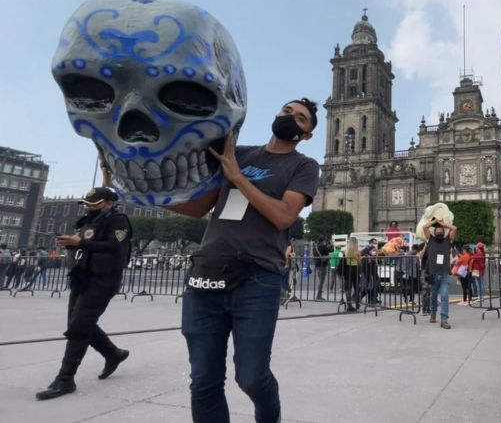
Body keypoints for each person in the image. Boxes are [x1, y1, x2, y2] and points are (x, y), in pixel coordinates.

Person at [163, 98, 320, 423]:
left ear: (306, 134)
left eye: (301, 119)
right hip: (206, 274)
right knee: (204, 380)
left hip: (257, 278)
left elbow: (283, 216)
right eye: (287, 111)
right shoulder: (239, 153)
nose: (291, 118)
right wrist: (137, 195)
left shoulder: (303, 166)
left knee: (251, 376)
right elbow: (198, 207)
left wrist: (239, 178)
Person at [36, 187, 132, 400]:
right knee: (77, 323)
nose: (89, 207)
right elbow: (86, 245)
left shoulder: (118, 221)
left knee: (79, 327)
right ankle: (112, 353)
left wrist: (80, 242)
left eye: (94, 203)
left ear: (108, 203)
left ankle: (65, 378)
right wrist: (71, 243)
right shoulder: (88, 221)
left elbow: (114, 246)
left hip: (103, 280)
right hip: (82, 277)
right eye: (88, 203)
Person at [423, 218, 457, 329]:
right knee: (433, 296)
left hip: (445, 274)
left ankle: (444, 319)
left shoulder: (448, 240)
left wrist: (442, 224)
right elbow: (425, 227)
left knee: (444, 296)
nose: (439, 232)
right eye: (437, 230)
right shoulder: (430, 239)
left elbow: (454, 228)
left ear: (443, 232)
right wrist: (435, 221)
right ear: (434, 232)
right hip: (433, 274)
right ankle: (433, 313)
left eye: (441, 230)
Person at [342, 237, 361, 312]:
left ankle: (349, 305)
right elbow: (359, 262)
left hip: (348, 270)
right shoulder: (358, 252)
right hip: (355, 269)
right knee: (356, 287)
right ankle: (357, 303)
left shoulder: (345, 251)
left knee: (348, 288)